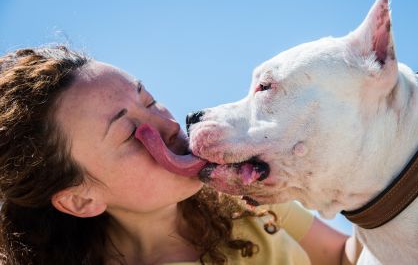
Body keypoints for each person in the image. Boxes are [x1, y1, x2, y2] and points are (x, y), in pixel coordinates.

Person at [0, 46, 359, 265]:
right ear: (80, 199)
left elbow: (342, 258)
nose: (167, 125)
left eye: (149, 100)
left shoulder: (246, 200)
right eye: (129, 134)